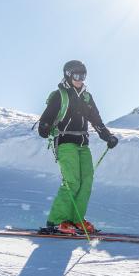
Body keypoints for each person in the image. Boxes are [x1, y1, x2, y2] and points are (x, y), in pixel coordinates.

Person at [35, 59, 118, 234]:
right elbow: (46, 119)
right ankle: (56, 221)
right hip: (65, 143)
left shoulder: (87, 97)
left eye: (83, 75)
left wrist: (107, 136)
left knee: (86, 182)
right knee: (72, 181)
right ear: (68, 75)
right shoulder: (60, 95)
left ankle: (76, 220)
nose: (80, 79)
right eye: (77, 75)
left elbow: (96, 121)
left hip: (82, 144)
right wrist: (44, 127)